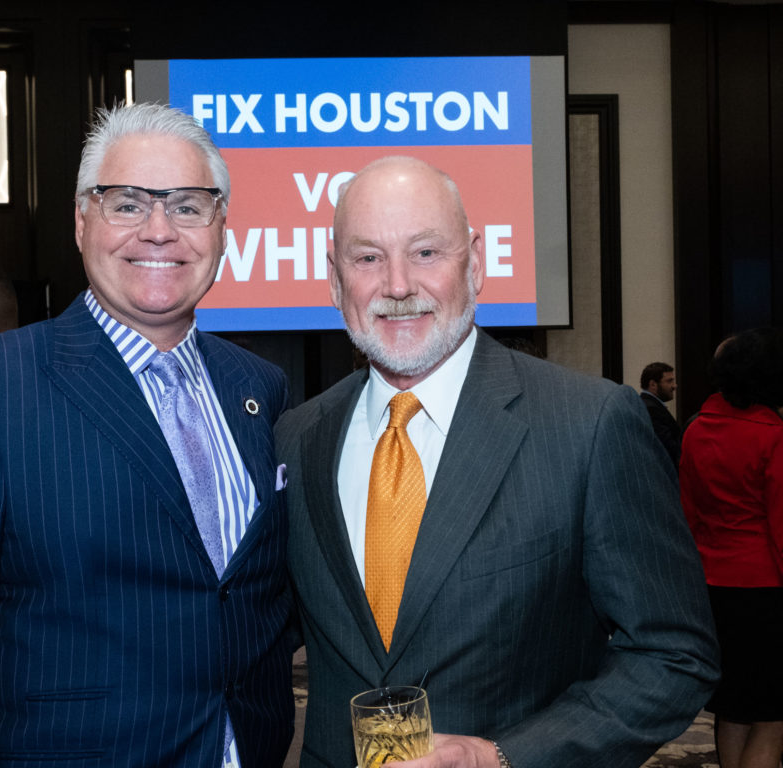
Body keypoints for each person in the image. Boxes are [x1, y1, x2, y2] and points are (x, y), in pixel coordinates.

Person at [0, 103, 294, 767]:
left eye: (187, 205)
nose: (158, 230)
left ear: (221, 228)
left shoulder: (257, 386)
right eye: (126, 204)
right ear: (82, 220)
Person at [275, 156, 719, 768]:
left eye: (426, 252)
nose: (398, 284)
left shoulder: (588, 423)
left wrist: (503, 756)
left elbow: (674, 654)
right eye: (368, 257)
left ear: (476, 263)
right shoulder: (296, 439)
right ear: (333, 278)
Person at [680, 327, 783, 768]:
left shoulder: (696, 430)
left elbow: (686, 513)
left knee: (733, 705)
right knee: (772, 711)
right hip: (766, 585)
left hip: (711, 584)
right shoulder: (772, 433)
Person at [640, 361, 682, 466]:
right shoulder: (651, 409)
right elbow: (668, 448)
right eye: (669, 381)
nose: (674, 386)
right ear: (653, 384)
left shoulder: (645, 404)